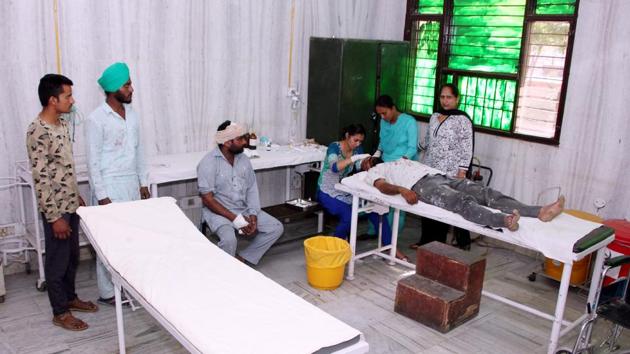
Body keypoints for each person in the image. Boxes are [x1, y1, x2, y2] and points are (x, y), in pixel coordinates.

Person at [26, 74, 98, 331]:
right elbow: (41, 179)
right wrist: (55, 217)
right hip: (55, 209)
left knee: (72, 256)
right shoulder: (37, 131)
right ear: (52, 99)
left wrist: (75, 194)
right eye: (67, 96)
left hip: (70, 203)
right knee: (57, 261)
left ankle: (69, 297)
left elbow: (65, 167)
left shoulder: (62, 125)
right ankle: (60, 311)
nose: (72, 100)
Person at [86, 62, 150, 306]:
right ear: (113, 89)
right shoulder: (96, 119)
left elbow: (139, 151)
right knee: (109, 241)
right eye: (127, 85)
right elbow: (93, 162)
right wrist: (102, 195)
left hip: (131, 183)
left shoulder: (132, 115)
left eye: (130, 83)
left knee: (131, 239)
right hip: (109, 185)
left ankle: (129, 285)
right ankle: (108, 293)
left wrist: (143, 182)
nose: (131, 88)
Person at [363, 158, 565, 231]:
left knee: (486, 192)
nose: (367, 160)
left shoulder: (396, 160)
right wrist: (401, 189)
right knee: (461, 202)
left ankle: (539, 211)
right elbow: (381, 186)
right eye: (362, 161)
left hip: (439, 175)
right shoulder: (372, 172)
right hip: (421, 186)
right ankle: (505, 221)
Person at [197, 120, 283, 265]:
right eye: (240, 139)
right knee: (229, 240)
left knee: (276, 228)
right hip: (218, 212)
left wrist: (253, 214)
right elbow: (208, 200)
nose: (245, 142)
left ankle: (242, 258)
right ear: (227, 143)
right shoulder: (208, 163)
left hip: (242, 209)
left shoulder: (243, 160)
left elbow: (251, 189)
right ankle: (223, 270)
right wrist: (235, 220)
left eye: (244, 137)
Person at [317, 124, 407, 261]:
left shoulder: (358, 149)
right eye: (355, 140)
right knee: (349, 214)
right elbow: (335, 167)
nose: (358, 144)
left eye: (360, 141)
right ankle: (334, 250)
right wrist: (353, 159)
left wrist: (368, 162)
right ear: (347, 136)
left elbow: (361, 167)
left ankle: (390, 247)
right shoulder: (334, 147)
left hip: (345, 189)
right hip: (326, 191)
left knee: (376, 211)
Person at [414, 83, 474, 250]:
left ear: (457, 99)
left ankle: (437, 246)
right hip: (430, 169)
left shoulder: (462, 120)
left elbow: (466, 147)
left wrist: (462, 172)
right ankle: (425, 241)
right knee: (426, 203)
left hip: (449, 172)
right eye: (442, 97)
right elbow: (427, 140)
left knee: (442, 206)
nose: (445, 101)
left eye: (449, 97)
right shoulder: (435, 116)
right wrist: (413, 151)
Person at [362, 95, 419, 238]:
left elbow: (412, 148)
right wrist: (375, 156)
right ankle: (373, 231)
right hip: (385, 164)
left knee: (396, 203)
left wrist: (400, 163)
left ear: (393, 108)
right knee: (377, 197)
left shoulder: (409, 122)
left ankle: (390, 238)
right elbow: (382, 144)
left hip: (403, 166)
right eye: (380, 114)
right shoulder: (384, 121)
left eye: (385, 113)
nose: (383, 116)